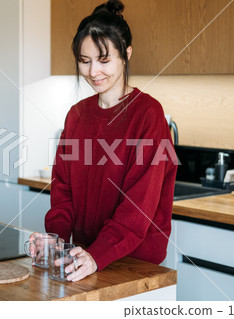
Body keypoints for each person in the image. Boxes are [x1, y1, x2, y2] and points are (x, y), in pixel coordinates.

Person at [29, 0, 177, 282]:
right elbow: (64, 190)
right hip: (85, 259)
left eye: (104, 60)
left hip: (134, 264)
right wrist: (56, 239)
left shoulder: (148, 114)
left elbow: (139, 205)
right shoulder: (77, 116)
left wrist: (99, 254)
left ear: (126, 54)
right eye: (85, 61)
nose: (93, 72)